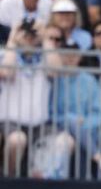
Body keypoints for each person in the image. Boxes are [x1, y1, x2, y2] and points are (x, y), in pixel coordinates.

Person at [48, 33, 101, 179]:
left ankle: (85, 183)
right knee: (70, 132)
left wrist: (84, 125)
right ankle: (98, 159)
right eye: (66, 54)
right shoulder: (54, 79)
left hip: (90, 129)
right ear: (60, 56)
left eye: (73, 54)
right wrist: (72, 120)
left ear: (79, 57)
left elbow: (99, 110)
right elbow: (51, 111)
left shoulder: (90, 80)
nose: (70, 58)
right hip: (58, 127)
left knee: (83, 137)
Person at [0, 17, 58, 176]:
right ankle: (9, 179)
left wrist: (46, 38)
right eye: (25, 33)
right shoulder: (6, 54)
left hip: (40, 124)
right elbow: (7, 72)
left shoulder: (45, 55)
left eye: (32, 34)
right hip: (10, 122)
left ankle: (46, 183)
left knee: (65, 141)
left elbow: (54, 70)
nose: (29, 37)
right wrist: (13, 39)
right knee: (17, 140)